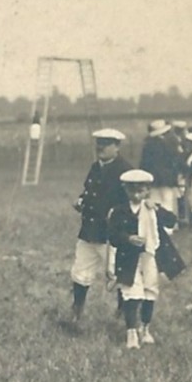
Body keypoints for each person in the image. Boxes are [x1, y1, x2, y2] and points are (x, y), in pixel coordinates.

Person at [108, 169, 178, 350]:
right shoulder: (119, 211)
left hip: (150, 256)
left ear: (148, 190)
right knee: (131, 292)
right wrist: (128, 238)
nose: (137, 194)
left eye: (142, 190)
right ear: (125, 190)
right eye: (132, 190)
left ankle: (145, 328)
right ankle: (131, 332)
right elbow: (113, 235)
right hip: (128, 258)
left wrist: (158, 208)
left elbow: (172, 221)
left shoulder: (152, 209)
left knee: (149, 292)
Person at [68, 129, 130, 330]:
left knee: (117, 273)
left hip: (110, 235)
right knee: (80, 271)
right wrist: (81, 201)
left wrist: (116, 220)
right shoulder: (95, 167)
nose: (100, 147)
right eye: (98, 143)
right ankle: (76, 311)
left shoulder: (125, 172)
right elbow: (88, 192)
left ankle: (123, 314)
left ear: (117, 147)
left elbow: (130, 204)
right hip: (89, 231)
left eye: (106, 143)